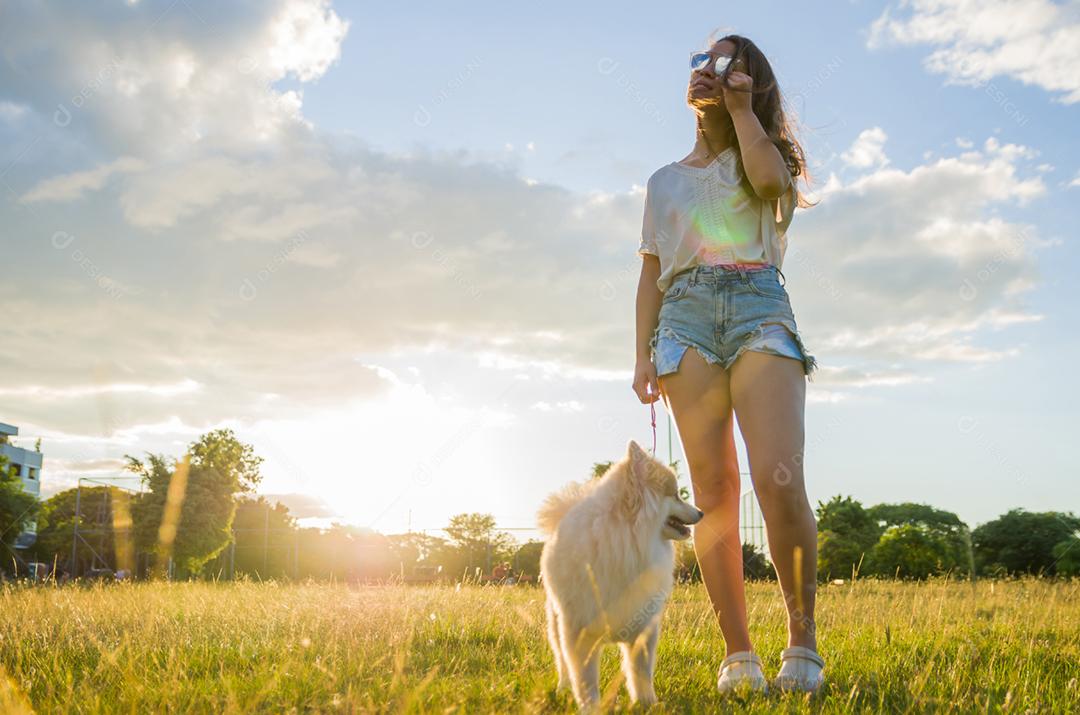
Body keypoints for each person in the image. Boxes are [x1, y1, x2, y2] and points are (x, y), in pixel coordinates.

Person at [632, 31, 825, 695]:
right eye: (710, 61)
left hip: (757, 306)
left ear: (754, 80)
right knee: (713, 491)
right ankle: (737, 654)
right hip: (683, 321)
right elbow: (651, 273)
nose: (719, 71)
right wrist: (641, 354)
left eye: (733, 63)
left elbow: (770, 182)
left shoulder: (765, 159)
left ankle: (803, 644)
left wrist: (742, 113)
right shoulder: (662, 181)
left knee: (778, 478)